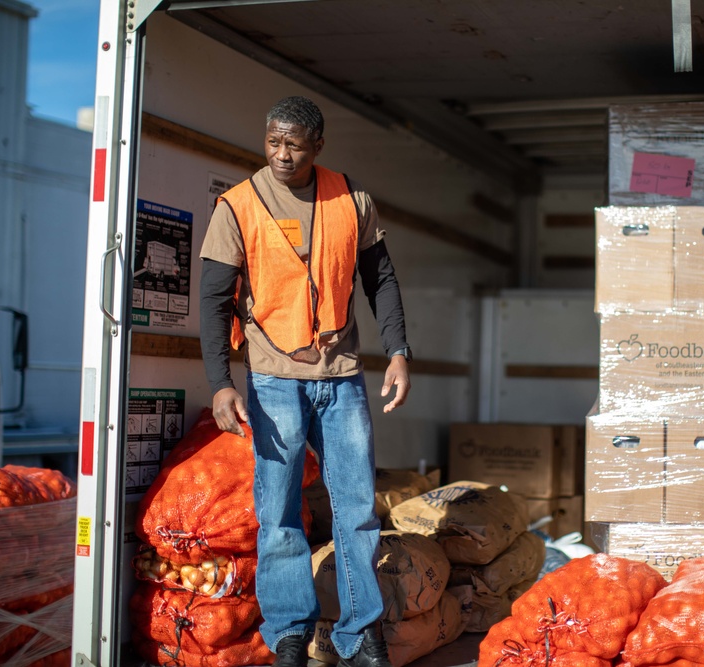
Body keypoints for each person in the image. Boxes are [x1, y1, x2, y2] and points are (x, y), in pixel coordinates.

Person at [198, 95, 412, 667]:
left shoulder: (352, 199)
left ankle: (362, 634)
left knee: (357, 507)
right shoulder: (237, 206)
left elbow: (380, 280)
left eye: (294, 144)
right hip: (272, 378)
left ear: (319, 145)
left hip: (340, 375)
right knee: (279, 512)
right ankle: (290, 633)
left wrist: (398, 351)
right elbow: (215, 300)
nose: (281, 154)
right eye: (273, 141)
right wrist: (221, 382)